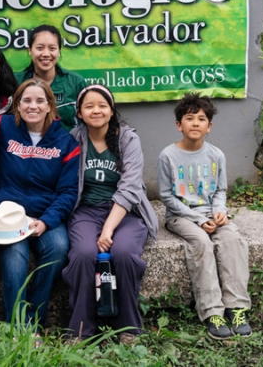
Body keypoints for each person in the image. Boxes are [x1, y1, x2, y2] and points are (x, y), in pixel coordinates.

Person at [62, 84, 158, 344]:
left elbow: (130, 188)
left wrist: (108, 230)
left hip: (126, 213)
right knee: (82, 254)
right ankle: (81, 329)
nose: (96, 110)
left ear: (112, 109)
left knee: (124, 253)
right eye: (89, 106)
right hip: (86, 212)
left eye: (102, 105)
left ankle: (129, 327)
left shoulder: (128, 138)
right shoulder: (74, 138)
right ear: (79, 112)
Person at [0, 79, 79, 339]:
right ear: (17, 105)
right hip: (7, 213)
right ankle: (17, 325)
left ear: (50, 105)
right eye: (26, 100)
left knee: (58, 247)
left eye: (40, 100)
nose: (33, 106)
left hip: (45, 212)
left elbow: (68, 191)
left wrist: (47, 221)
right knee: (16, 253)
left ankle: (34, 321)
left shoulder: (65, 142)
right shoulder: (3, 127)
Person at [157, 93, 251, 339]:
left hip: (211, 212)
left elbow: (220, 190)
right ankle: (212, 311)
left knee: (232, 239)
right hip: (181, 216)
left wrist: (220, 211)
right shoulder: (168, 155)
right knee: (201, 242)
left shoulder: (216, 155)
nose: (196, 123)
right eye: (190, 118)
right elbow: (167, 197)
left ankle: (236, 307)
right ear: (179, 125)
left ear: (209, 126)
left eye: (201, 119)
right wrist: (198, 220)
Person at [15, 25, 87, 131]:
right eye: (39, 48)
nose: (46, 54)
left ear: (59, 51)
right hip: (26, 145)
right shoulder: (16, 82)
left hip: (68, 145)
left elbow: (86, 122)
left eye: (52, 48)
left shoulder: (75, 82)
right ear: (30, 50)